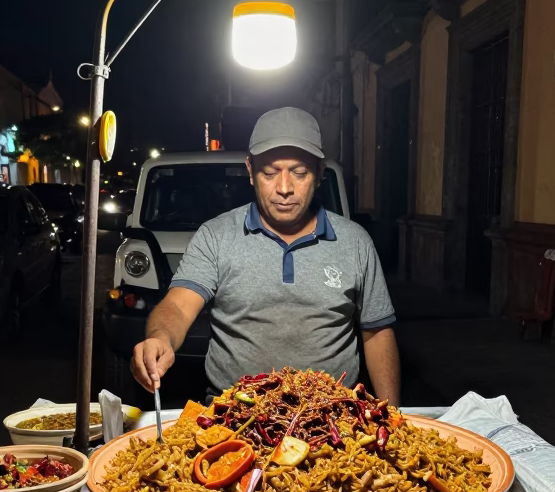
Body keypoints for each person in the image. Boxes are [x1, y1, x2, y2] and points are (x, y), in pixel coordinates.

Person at [130, 107, 401, 404]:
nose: (284, 188)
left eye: (300, 172)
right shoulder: (216, 236)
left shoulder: (355, 242)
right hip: (234, 417)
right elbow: (178, 306)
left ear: (320, 173)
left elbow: (377, 332)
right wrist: (160, 338)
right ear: (249, 171)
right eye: (270, 173)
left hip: (336, 420)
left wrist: (394, 417)